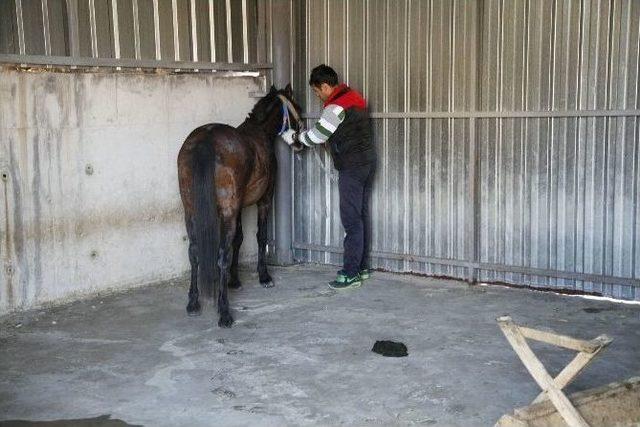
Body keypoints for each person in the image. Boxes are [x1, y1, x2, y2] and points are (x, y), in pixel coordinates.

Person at [282, 64, 377, 290]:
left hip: (352, 168)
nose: (317, 96)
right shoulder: (355, 97)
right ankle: (361, 268)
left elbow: (317, 135)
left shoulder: (336, 106)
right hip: (367, 163)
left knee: (351, 220)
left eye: (317, 92)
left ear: (325, 86)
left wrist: (294, 137)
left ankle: (350, 273)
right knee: (361, 216)